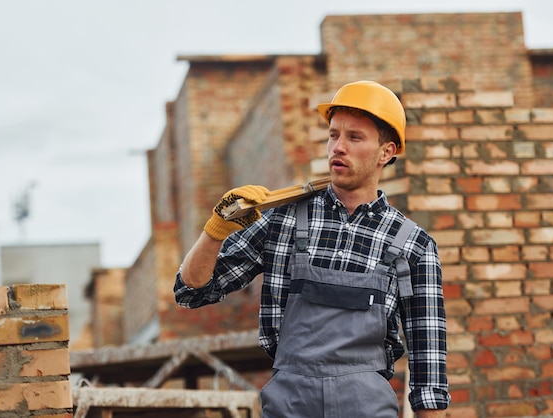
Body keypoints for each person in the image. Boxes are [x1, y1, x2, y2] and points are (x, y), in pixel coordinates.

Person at [174, 80, 450, 417]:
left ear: (386, 152)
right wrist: (214, 232)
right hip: (289, 406)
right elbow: (191, 290)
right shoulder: (283, 219)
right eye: (334, 134)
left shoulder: (413, 245)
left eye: (355, 137)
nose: (338, 147)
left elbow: (429, 371)